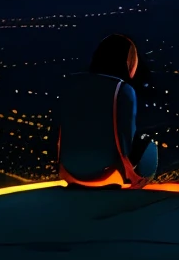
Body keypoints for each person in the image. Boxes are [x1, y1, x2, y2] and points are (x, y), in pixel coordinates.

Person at [56, 33, 160, 188]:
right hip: (109, 173)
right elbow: (125, 139)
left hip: (70, 171)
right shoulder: (123, 90)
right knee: (149, 145)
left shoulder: (72, 85)